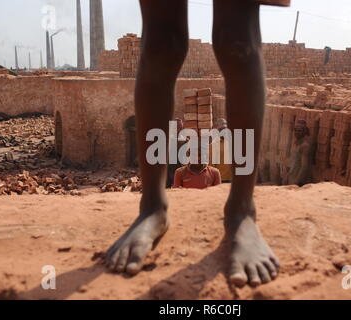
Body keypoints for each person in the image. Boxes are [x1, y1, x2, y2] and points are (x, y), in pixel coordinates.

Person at [105, 0, 290, 288]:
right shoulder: (183, 171)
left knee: (239, 42)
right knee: (159, 44)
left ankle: (242, 210)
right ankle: (152, 206)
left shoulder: (210, 171)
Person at [283, 120, 312, 186]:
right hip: (292, 177)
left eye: (299, 131)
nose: (297, 132)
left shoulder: (304, 146)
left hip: (297, 180)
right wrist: (287, 176)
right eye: (295, 130)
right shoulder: (297, 144)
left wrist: (296, 182)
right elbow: (294, 163)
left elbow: (304, 167)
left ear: (304, 132)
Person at [166, 118, 187, 188]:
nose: (179, 129)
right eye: (178, 127)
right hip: (169, 166)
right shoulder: (168, 138)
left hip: (180, 165)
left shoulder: (184, 139)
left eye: (180, 127)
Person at [212, 118, 233, 182]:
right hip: (221, 179)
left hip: (232, 179)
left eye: (225, 129)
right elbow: (212, 165)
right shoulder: (214, 145)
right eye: (221, 129)